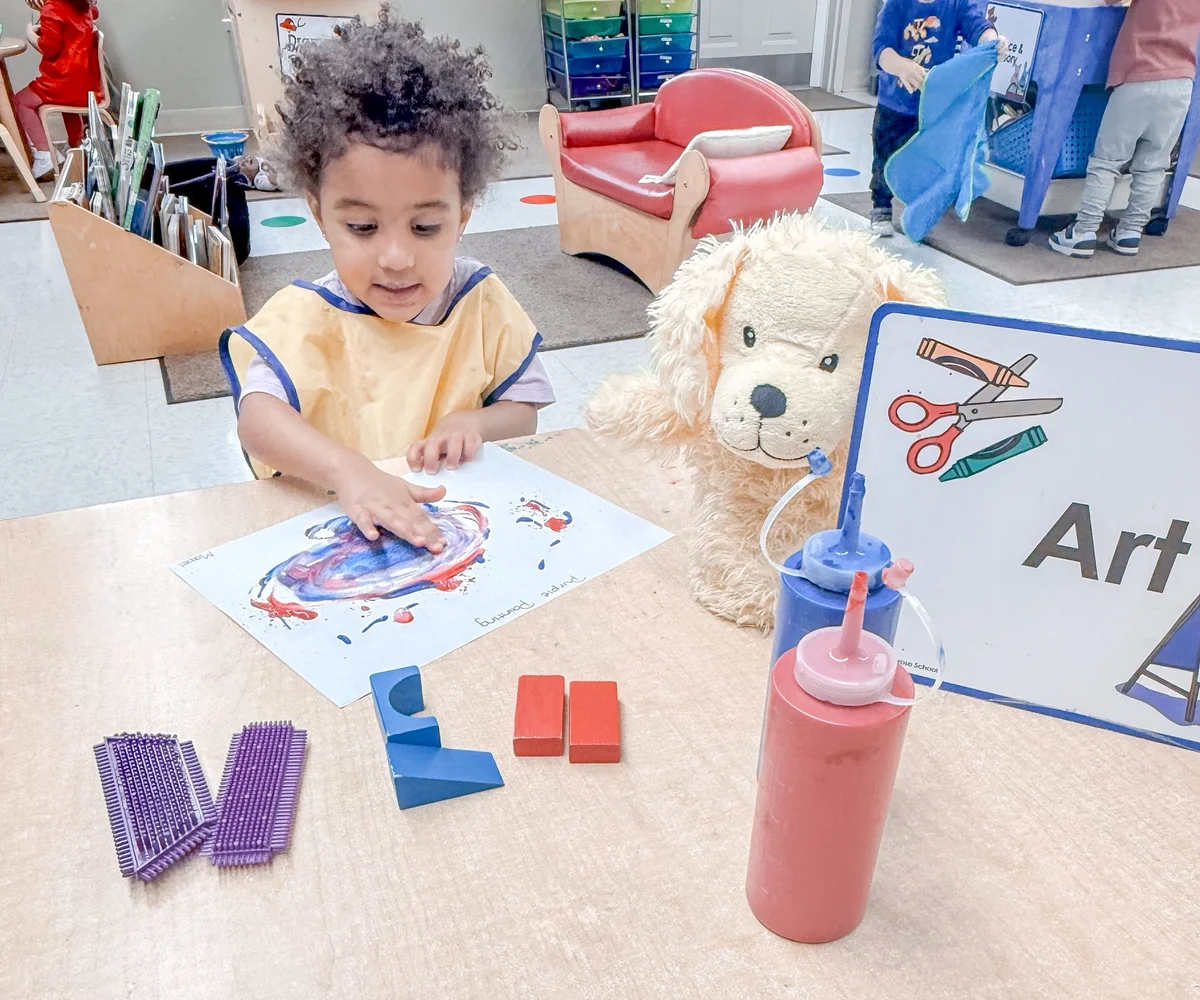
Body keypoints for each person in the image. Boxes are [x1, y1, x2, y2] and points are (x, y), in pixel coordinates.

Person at [221, 13, 553, 554]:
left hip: (451, 532)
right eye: (362, 227)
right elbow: (257, 424)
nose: (396, 259)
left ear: (463, 216)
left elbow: (523, 413)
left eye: (425, 228)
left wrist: (474, 423)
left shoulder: (481, 302)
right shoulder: (303, 319)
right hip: (336, 537)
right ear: (320, 215)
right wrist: (346, 470)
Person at [1050, 0, 1200, 258]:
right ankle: (1130, 232)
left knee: (1107, 161)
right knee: (1153, 164)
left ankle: (1083, 231)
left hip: (1140, 76)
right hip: (1181, 82)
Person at [870, 0, 1005, 236]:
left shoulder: (955, 3)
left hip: (934, 105)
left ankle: (920, 208)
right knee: (885, 154)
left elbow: (976, 26)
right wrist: (900, 66)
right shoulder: (897, 4)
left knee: (929, 158)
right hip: (895, 105)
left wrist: (992, 42)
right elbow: (881, 49)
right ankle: (881, 205)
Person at [14, 0, 100, 179]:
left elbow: (49, 49)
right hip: (84, 83)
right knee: (69, 107)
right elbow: (72, 25)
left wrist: (30, 34)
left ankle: (44, 153)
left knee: (21, 101)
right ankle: (77, 146)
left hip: (63, 81)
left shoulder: (53, 7)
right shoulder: (84, 5)